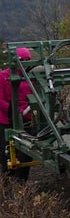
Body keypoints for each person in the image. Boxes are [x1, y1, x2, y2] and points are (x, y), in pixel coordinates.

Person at [0, 47, 33, 180]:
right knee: (6, 154)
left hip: (27, 120)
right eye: (23, 61)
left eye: (27, 61)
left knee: (26, 154)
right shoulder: (3, 77)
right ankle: (8, 184)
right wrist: (15, 111)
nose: (25, 64)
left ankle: (21, 184)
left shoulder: (31, 77)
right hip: (6, 120)